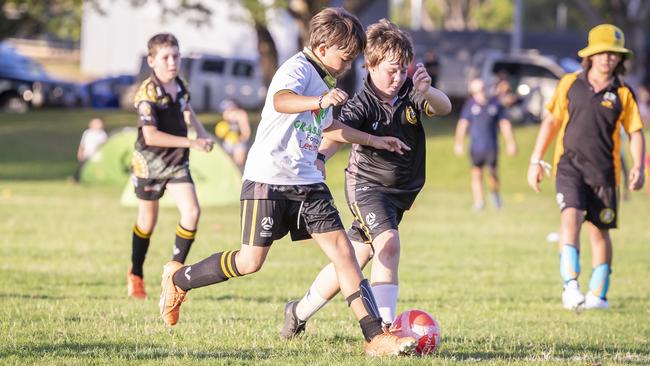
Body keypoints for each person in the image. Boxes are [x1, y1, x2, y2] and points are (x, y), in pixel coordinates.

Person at [157, 8, 418, 357]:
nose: (347, 65)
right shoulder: (297, 68)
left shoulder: (327, 78)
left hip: (308, 181)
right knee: (250, 262)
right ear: (323, 46)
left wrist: (374, 140)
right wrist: (319, 100)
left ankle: (375, 337)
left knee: (345, 254)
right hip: (268, 178)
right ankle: (178, 280)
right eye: (345, 56)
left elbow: (328, 127)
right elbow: (281, 101)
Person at [278, 19, 451, 338]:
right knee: (388, 245)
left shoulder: (411, 94)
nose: (397, 78)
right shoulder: (361, 105)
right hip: (368, 188)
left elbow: (444, 107)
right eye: (390, 70)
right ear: (370, 66)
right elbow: (335, 134)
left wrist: (428, 90)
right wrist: (319, 157)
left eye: (403, 70)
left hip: (399, 194)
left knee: (356, 256)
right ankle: (386, 329)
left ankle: (298, 312)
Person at [527, 24, 645, 311]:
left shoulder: (623, 93)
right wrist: (536, 159)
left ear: (620, 58)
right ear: (590, 55)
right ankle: (570, 286)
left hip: (605, 172)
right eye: (602, 52)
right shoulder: (570, 83)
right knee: (571, 215)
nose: (608, 59)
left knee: (599, 232)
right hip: (569, 166)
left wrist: (639, 167)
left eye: (614, 54)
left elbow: (636, 132)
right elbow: (551, 121)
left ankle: (599, 295)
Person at [127, 33, 214, 299]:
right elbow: (151, 136)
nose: (172, 62)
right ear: (152, 61)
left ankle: (173, 276)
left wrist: (201, 135)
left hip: (177, 162)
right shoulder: (147, 94)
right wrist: (191, 143)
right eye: (165, 57)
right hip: (149, 163)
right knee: (147, 221)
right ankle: (136, 274)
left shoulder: (181, 85)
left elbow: (188, 112)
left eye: (176, 56)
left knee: (192, 212)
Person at [454, 78, 517, 210]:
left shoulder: (495, 105)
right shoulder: (470, 106)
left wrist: (511, 142)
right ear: (473, 93)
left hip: (491, 146)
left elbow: (504, 124)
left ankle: (495, 197)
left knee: (493, 174)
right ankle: (479, 202)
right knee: (476, 174)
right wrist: (458, 143)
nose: (480, 93)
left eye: (482, 89)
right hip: (476, 147)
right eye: (476, 91)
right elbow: (463, 124)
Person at [214, 99, 251, 170]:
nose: (225, 113)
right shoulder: (226, 115)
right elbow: (220, 133)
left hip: (239, 142)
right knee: (228, 165)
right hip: (228, 142)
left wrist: (240, 139)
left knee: (238, 164)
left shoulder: (241, 114)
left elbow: (246, 132)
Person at [74, 117, 108, 181]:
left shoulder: (102, 134)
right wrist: (80, 153)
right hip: (87, 154)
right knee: (82, 167)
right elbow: (82, 144)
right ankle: (77, 178)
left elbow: (104, 144)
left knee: (96, 168)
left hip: (96, 155)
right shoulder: (87, 133)